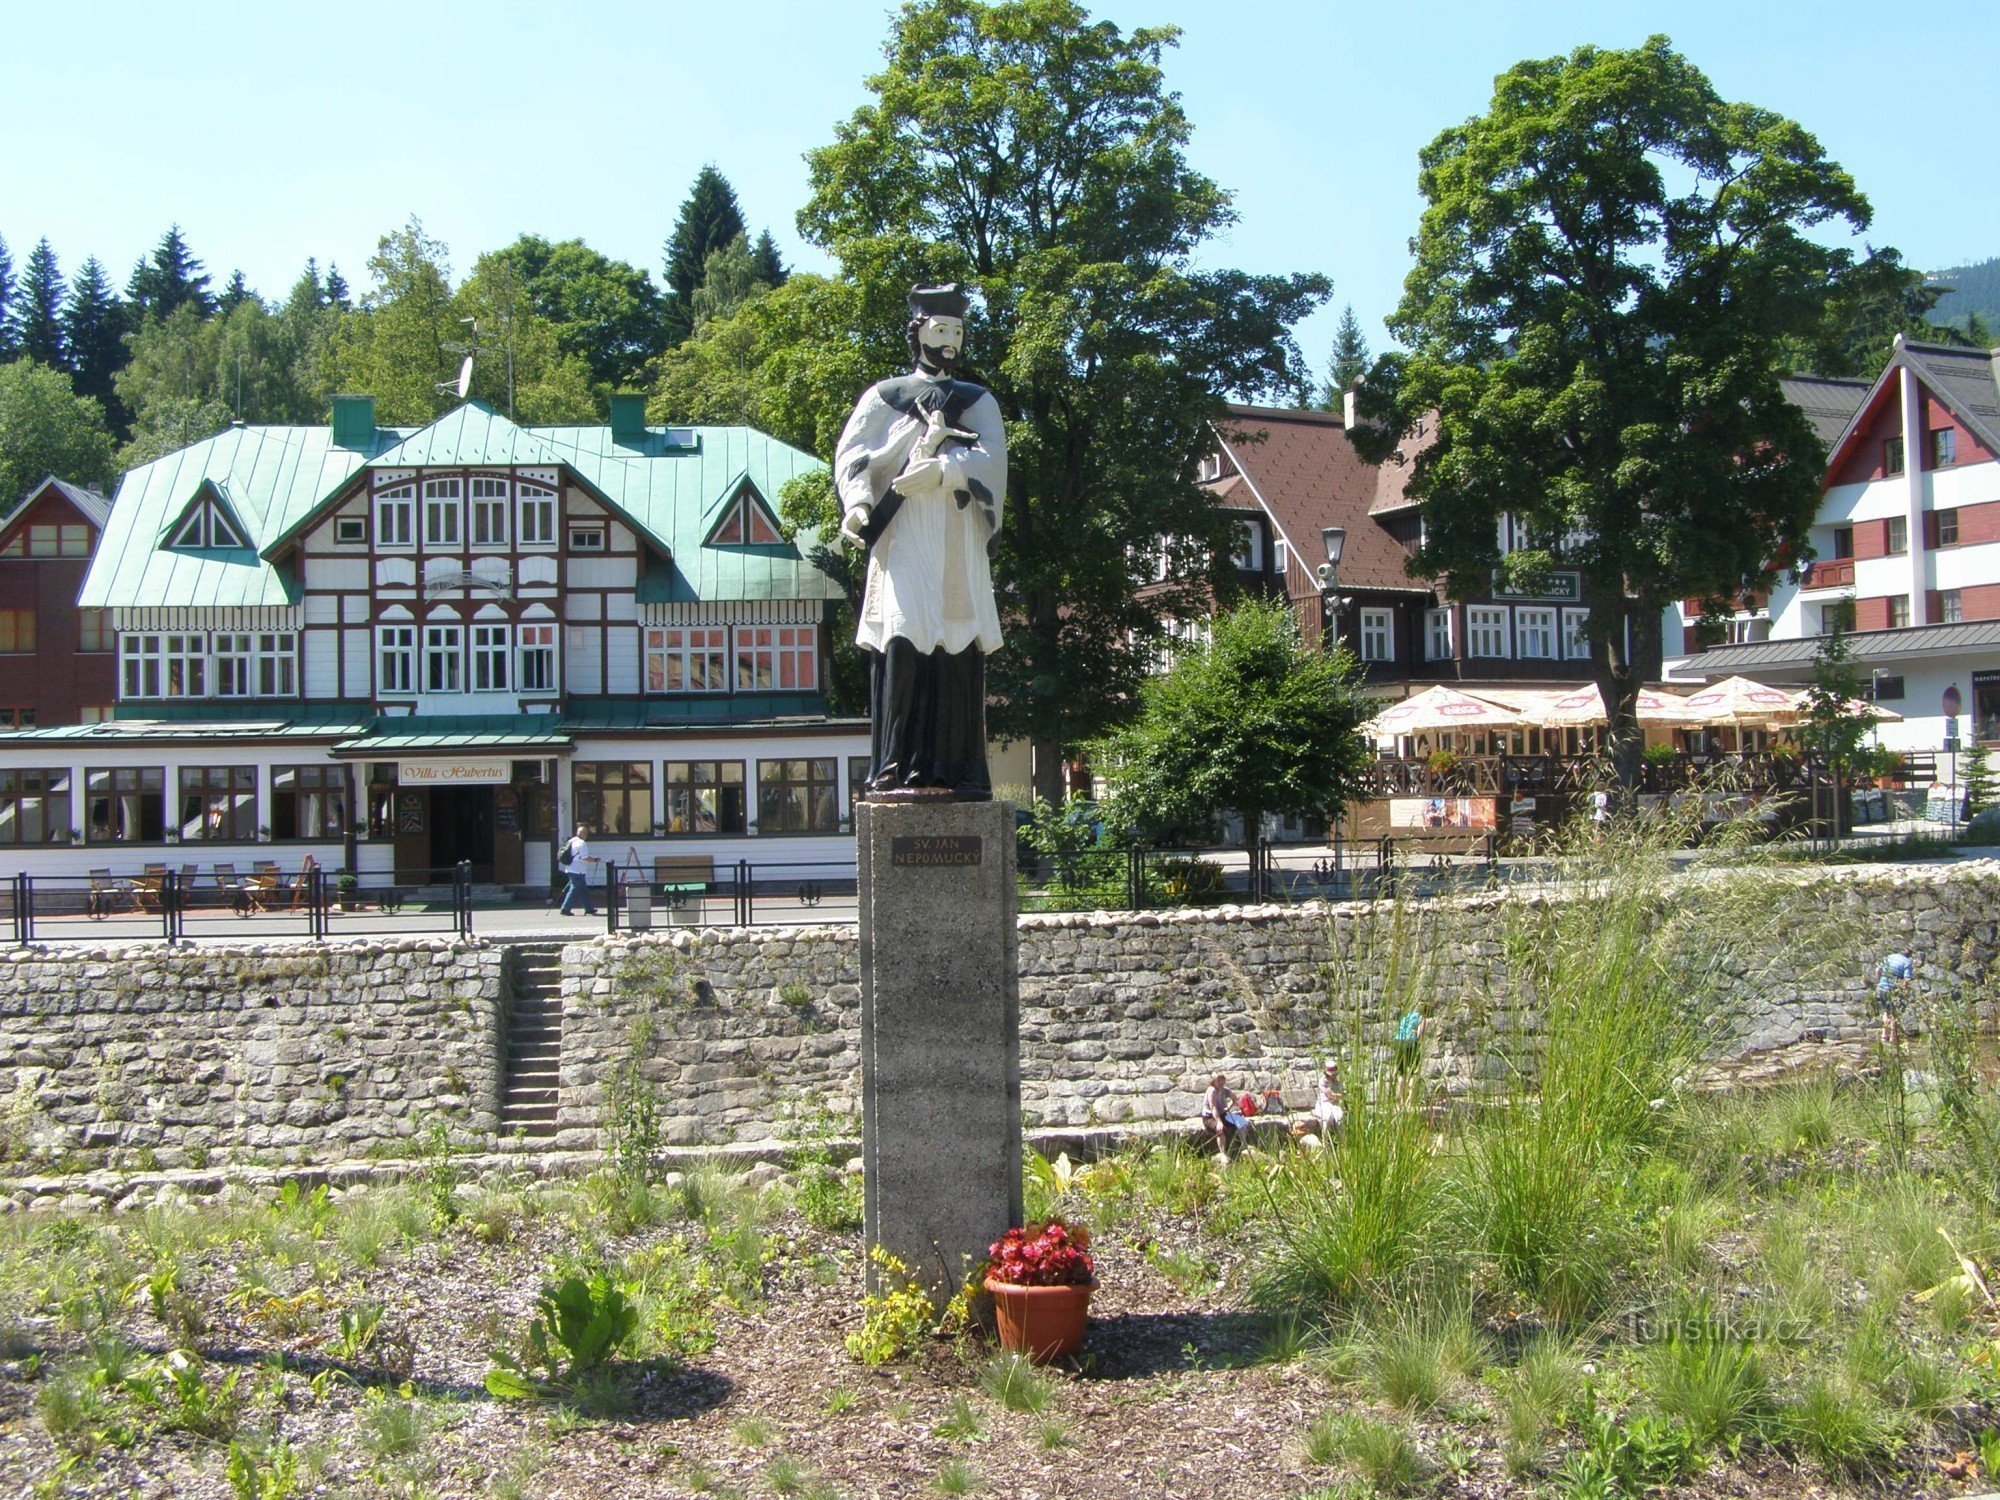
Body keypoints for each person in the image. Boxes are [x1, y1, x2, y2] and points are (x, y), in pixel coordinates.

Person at [836, 283, 1008, 801]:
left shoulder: (977, 401)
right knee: (903, 640)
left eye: (957, 330)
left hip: (955, 540)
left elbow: (994, 461)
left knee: (957, 646)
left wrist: (945, 471)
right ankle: (895, 764)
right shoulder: (884, 398)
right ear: (918, 333)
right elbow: (854, 456)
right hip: (905, 540)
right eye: (940, 329)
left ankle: (959, 769)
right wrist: (860, 503)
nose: (949, 339)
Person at [1200, 1073, 1247, 1159]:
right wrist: (1218, 1122)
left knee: (1242, 1123)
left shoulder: (1224, 1090)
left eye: (1222, 1080)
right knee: (1221, 1130)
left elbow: (1234, 1098)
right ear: (1213, 1081)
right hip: (1210, 1117)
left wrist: (1228, 1108)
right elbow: (1213, 1107)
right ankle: (1223, 1153)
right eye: (1218, 1080)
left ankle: (1244, 1147)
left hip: (1222, 1114)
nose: (1221, 1082)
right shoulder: (1212, 1091)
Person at [558, 824, 599, 917]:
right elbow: (584, 858)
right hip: (578, 870)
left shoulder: (571, 841)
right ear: (585, 834)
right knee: (575, 888)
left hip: (570, 868)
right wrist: (595, 859)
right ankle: (565, 908)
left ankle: (589, 908)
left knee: (583, 890)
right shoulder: (582, 843)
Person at [1876, 947, 1913, 1047]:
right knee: (1894, 1013)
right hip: (1893, 989)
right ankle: (1893, 1037)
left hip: (1882, 988)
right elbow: (1907, 980)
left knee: (1885, 1011)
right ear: (1909, 955)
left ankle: (1884, 1035)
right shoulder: (1907, 962)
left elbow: (1877, 970)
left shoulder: (1888, 957)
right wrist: (1904, 990)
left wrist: (1878, 981)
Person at [1312, 1059, 1345, 1135]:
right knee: (1327, 1119)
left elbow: (1339, 1095)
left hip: (1335, 1105)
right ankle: (1325, 1143)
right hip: (1324, 1104)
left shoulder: (1338, 1082)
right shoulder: (1323, 1081)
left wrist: (1340, 1096)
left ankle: (1343, 1143)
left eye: (1335, 1074)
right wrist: (1341, 1095)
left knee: (1339, 1118)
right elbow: (1330, 1095)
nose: (1334, 1076)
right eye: (1332, 1075)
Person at [1394, 1008, 1425, 1074]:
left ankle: (1401, 1081)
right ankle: (1411, 1081)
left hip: (1399, 1040)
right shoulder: (1420, 1017)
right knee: (1413, 1069)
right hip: (1410, 1042)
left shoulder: (1405, 1014)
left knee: (1401, 1071)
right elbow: (1419, 1035)